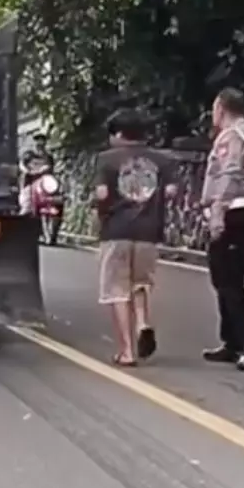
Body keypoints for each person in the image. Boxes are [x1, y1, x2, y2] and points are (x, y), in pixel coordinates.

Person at [95, 109, 175, 367]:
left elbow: (102, 193)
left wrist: (99, 208)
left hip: (117, 231)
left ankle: (127, 352)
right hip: (148, 232)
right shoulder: (162, 160)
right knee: (139, 284)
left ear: (119, 134)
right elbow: (172, 192)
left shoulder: (107, 160)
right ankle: (142, 324)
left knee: (117, 290)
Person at [201, 87, 244, 371]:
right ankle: (232, 341)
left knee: (229, 281)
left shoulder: (233, 136)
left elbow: (230, 174)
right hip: (239, 211)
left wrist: (217, 211)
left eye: (215, 109)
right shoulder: (241, 133)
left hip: (236, 212)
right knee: (223, 279)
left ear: (221, 108)